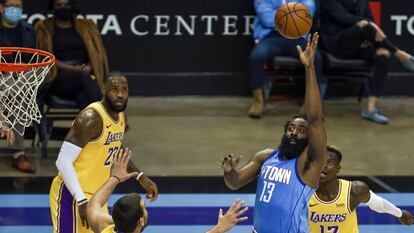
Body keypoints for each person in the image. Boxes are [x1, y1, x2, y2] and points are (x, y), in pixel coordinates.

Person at [221, 33, 327, 233]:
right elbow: (234, 184)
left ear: (309, 138)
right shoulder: (265, 157)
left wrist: (309, 67)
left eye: (302, 130)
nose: (294, 133)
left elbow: (314, 118)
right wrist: (230, 172)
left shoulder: (309, 164)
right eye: (291, 128)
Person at [49, 72, 159, 233]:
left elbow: (114, 149)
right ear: (103, 89)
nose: (120, 94)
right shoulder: (91, 118)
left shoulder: (121, 115)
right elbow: (62, 161)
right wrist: (80, 201)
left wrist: (141, 177)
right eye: (114, 89)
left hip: (99, 196)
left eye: (124, 89)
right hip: (73, 196)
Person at [87, 148, 249, 233]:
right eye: (144, 208)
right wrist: (220, 228)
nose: (146, 210)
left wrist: (114, 178)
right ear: (140, 222)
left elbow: (93, 205)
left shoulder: (104, 228)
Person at [320, 0, 414, 124]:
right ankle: (400, 54)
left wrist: (368, 36)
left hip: (359, 43)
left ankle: (370, 109)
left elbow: (370, 19)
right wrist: (366, 26)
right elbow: (342, 17)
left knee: (383, 55)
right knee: (365, 25)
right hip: (336, 44)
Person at [248, 0, 327, 118]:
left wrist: (279, 13)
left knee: (315, 59)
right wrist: (295, 13)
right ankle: (258, 100)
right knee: (256, 56)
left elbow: (309, 13)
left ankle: (310, 104)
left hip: (297, 36)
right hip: (272, 36)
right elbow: (266, 18)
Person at [308, 145, 414, 232]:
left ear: (338, 169)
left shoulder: (354, 190)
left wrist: (399, 213)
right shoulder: (302, 192)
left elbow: (378, 204)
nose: (324, 165)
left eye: (330, 162)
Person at [35, 0, 108, 109]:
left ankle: (89, 125)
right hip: (58, 77)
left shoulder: (87, 26)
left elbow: (97, 54)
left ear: (72, 6)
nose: (63, 7)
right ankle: (107, 115)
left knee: (83, 96)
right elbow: (45, 57)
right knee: (83, 77)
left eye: (66, 5)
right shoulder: (44, 28)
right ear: (52, 7)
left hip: (85, 74)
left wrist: (89, 66)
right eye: (59, 5)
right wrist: (74, 69)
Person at [0, 0, 36, 173]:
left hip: (24, 78)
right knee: (13, 88)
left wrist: (23, 69)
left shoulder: (30, 31)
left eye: (19, 6)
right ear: (1, 8)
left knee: (18, 88)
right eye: (11, 6)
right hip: (2, 77)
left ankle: (3, 124)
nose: (15, 9)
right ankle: (18, 153)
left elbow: (39, 61)